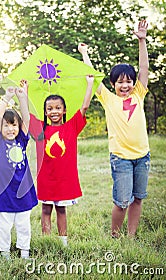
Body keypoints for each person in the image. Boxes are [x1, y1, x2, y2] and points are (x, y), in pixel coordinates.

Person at [79, 20, 150, 238]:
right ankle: (115, 235)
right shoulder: (108, 99)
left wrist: (142, 40)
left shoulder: (139, 94)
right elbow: (92, 74)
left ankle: (131, 236)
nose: (125, 85)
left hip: (143, 157)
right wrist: (84, 53)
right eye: (120, 82)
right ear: (113, 85)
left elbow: (145, 68)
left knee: (138, 198)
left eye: (129, 81)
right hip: (121, 158)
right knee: (122, 202)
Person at [30, 74, 94, 246]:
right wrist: (24, 92)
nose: (54, 112)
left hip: (64, 180)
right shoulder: (39, 130)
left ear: (64, 110)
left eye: (58, 108)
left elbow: (85, 106)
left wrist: (90, 83)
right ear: (45, 112)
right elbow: (26, 114)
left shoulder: (71, 127)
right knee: (45, 209)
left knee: (61, 209)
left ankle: (63, 242)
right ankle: (47, 241)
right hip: (46, 179)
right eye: (50, 109)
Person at [0, 81, 38, 260]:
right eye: (6, 125)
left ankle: (25, 251)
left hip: (23, 190)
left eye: (13, 125)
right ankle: (4, 252)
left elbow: (27, 119)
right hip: (4, 193)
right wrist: (7, 98)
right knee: (5, 226)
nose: (11, 129)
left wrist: (22, 98)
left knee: (24, 224)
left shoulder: (22, 140)